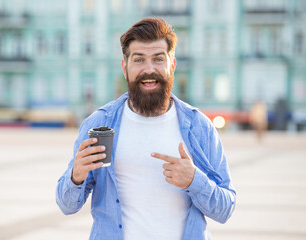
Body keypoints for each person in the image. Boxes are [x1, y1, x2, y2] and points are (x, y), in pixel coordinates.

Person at [56, 18, 236, 240]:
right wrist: (76, 176)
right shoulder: (99, 124)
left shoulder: (199, 127)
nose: (149, 69)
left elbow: (225, 209)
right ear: (125, 67)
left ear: (172, 65)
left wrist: (194, 181)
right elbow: (66, 205)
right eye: (139, 59)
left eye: (158, 59)